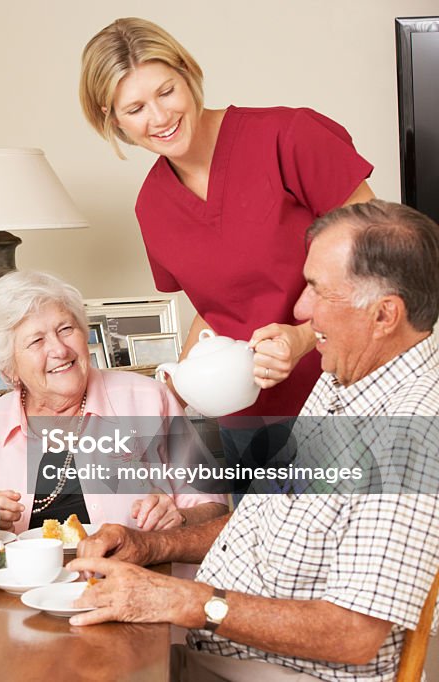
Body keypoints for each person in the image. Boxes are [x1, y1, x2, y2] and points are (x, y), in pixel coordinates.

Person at [69, 200, 439, 681]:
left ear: (384, 315)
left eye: (318, 291)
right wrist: (150, 545)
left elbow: (353, 634)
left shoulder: (413, 430)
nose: (301, 310)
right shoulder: (344, 375)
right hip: (218, 653)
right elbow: (259, 524)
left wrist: (182, 600)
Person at [78, 18, 376, 486]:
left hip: (353, 398)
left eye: (166, 91)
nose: (158, 117)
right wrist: (170, 395)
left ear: (188, 72)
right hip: (252, 425)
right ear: (112, 118)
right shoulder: (152, 206)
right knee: (260, 557)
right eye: (134, 107)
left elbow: (381, 256)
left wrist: (303, 337)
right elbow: (216, 314)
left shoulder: (288, 136)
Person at [0, 270, 228, 536]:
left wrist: (179, 518)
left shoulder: (149, 399)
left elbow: (212, 508)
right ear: (9, 369)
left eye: (66, 329)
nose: (59, 349)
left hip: (131, 582)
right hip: (16, 593)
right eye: (36, 342)